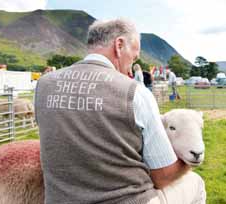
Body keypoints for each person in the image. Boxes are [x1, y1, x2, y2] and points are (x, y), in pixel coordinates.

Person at [35, 18, 205, 204]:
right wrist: (191, 159)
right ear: (119, 45)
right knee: (196, 183)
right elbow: (162, 176)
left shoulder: (44, 85)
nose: (133, 63)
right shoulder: (135, 92)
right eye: (134, 55)